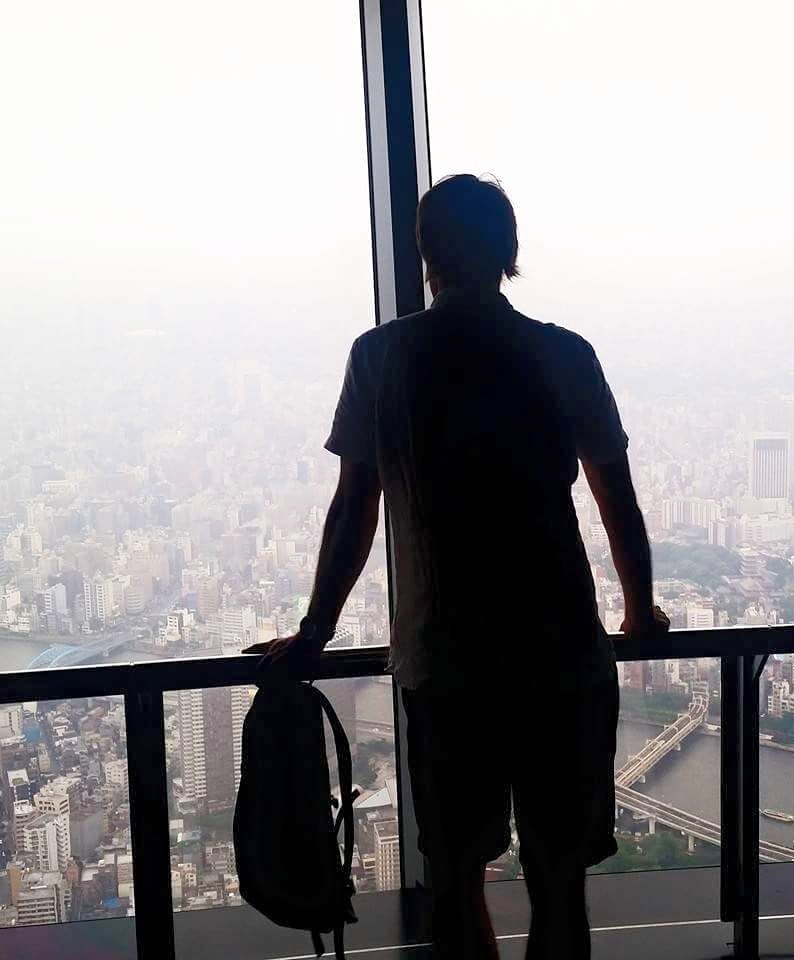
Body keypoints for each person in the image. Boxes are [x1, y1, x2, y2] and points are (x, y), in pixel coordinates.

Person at [245, 174, 667, 959]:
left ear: (425, 255)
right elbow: (619, 502)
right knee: (559, 880)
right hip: (562, 654)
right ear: (510, 253)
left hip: (446, 662)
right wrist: (640, 614)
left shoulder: (381, 358)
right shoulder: (565, 354)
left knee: (453, 878)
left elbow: (353, 510)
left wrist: (314, 631)